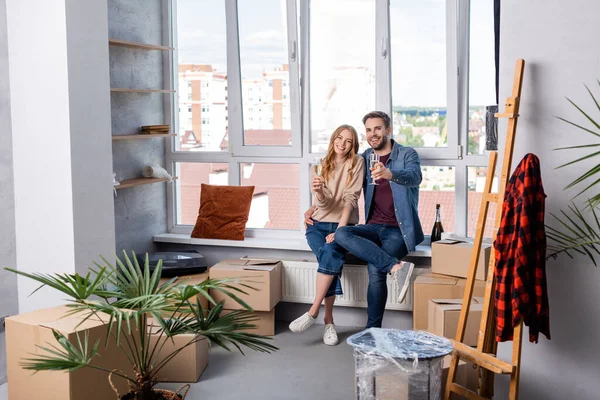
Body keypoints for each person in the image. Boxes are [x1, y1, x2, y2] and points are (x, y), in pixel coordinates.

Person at [305, 111, 423, 329]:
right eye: (368, 130)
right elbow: (345, 191)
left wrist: (390, 174)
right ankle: (396, 267)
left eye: (378, 129)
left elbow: (415, 177)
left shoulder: (407, 154)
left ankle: (372, 332)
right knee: (341, 233)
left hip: (398, 230)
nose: (373, 134)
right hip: (372, 227)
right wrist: (313, 207)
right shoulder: (366, 157)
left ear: (388, 130)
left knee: (375, 270)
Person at [288, 124, 365, 345]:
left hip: (344, 225)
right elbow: (323, 203)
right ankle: (328, 321)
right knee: (328, 258)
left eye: (348, 140)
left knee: (330, 252)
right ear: (333, 139)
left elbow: (351, 199)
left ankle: (313, 313)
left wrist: (340, 231)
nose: (342, 143)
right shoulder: (319, 167)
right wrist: (318, 193)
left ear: (353, 145)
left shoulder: (356, 163)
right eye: (339, 138)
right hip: (317, 224)